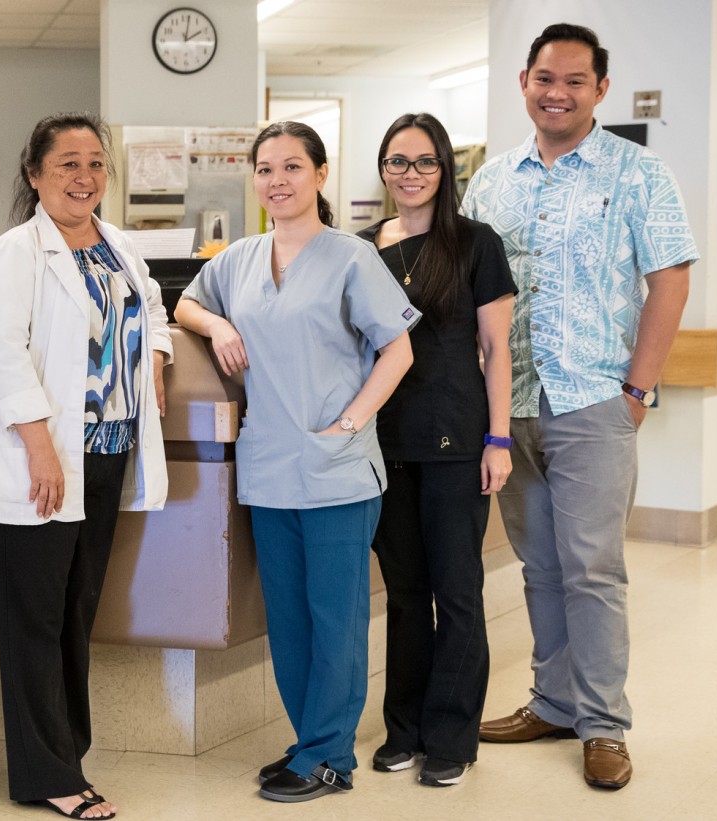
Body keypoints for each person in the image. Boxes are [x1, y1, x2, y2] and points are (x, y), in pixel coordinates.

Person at [462, 23, 697, 790]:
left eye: (573, 80)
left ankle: (603, 723)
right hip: (511, 403)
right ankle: (553, 700)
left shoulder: (639, 173)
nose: (555, 92)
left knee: (593, 567)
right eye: (542, 78)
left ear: (600, 88)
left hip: (594, 399)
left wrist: (635, 389)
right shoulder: (491, 180)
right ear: (523, 84)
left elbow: (669, 280)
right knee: (540, 566)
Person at [175, 121, 418, 804]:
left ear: (319, 173)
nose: (277, 180)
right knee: (289, 619)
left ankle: (330, 755)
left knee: (335, 616)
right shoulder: (240, 259)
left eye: (291, 166)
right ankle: (309, 738)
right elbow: (187, 302)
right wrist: (219, 323)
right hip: (270, 467)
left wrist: (349, 422)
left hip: (337, 469)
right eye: (265, 168)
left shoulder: (350, 257)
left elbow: (398, 349)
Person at [0, 112, 172, 821]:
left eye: (95, 164)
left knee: (75, 613)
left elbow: (151, 305)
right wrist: (40, 446)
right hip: (45, 458)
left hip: (108, 454)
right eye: (67, 165)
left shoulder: (117, 245)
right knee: (36, 618)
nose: (84, 178)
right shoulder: (12, 253)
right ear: (34, 175)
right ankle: (47, 773)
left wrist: (162, 363)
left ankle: (68, 754)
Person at [357, 112, 516, 788]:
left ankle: (452, 734)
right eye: (398, 161)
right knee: (404, 592)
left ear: (445, 169)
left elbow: (496, 349)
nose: (411, 174)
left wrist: (499, 438)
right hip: (385, 444)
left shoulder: (477, 244)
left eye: (424, 161)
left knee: (456, 590)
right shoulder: (361, 248)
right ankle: (405, 728)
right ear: (384, 169)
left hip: (456, 439)